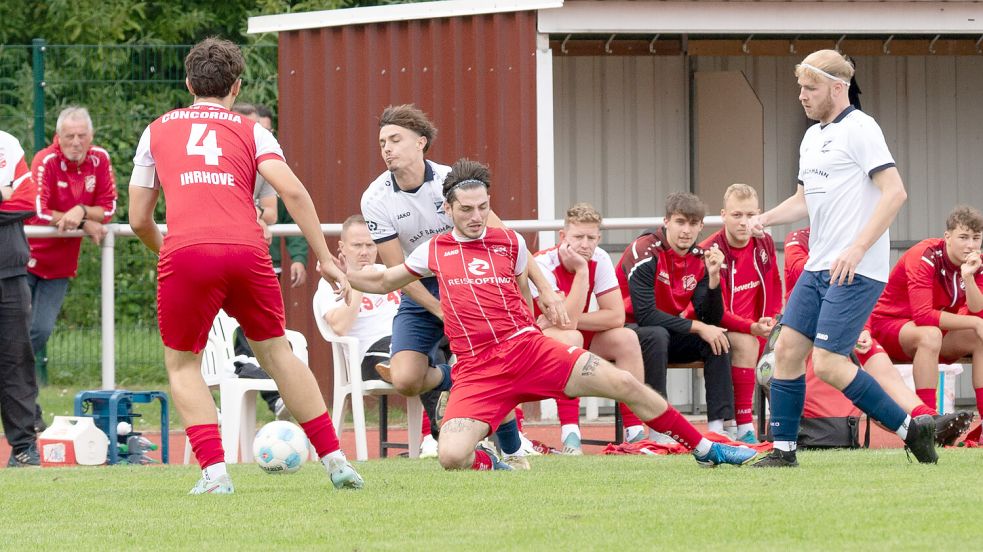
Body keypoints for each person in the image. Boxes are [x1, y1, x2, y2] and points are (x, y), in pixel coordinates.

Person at [348, 158, 757, 471]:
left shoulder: (508, 241)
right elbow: (386, 282)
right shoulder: (432, 250)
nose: (476, 217)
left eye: (483, 207)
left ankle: (707, 449)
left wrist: (547, 299)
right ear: (448, 209)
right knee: (451, 457)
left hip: (527, 350)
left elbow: (530, 280)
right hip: (476, 370)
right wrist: (346, 274)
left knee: (625, 382)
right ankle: (498, 460)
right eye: (467, 209)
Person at [128, 38, 361, 494]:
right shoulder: (252, 130)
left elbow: (138, 218)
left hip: (187, 252)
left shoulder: (156, 129)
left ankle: (215, 475)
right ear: (236, 86)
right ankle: (336, 462)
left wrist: (171, 249)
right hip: (246, 249)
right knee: (277, 353)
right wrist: (326, 259)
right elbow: (293, 193)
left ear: (188, 82)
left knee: (182, 365)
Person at [748, 49, 937, 467]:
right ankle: (784, 452)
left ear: (838, 88)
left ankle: (911, 431)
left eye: (810, 87)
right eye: (800, 87)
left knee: (830, 364)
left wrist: (857, 247)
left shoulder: (862, 128)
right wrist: (766, 218)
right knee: (787, 352)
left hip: (855, 269)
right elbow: (803, 200)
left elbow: (895, 192)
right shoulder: (811, 137)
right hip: (819, 267)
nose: (801, 95)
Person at [360, 104, 566, 459]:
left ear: (421, 143)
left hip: (476, 283)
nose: (387, 149)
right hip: (422, 289)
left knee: (505, 360)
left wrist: (545, 289)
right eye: (382, 142)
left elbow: (506, 237)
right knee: (406, 379)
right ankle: (457, 378)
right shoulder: (375, 198)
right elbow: (397, 273)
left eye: (395, 139)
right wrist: (443, 309)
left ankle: (514, 445)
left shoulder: (450, 181)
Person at [784, 227, 973, 446]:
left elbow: (861, 293)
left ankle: (928, 418)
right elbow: (806, 274)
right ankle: (913, 430)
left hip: (843, 323)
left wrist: (864, 328)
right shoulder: (799, 238)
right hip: (805, 325)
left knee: (880, 364)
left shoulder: (851, 238)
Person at [528, 202, 647, 454]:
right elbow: (566, 325)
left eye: (591, 237)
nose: (585, 244)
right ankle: (571, 434)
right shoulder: (543, 263)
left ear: (599, 238)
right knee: (570, 337)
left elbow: (615, 316)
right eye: (578, 237)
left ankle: (635, 432)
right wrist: (582, 272)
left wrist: (569, 318)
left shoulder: (600, 257)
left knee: (627, 338)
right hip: (541, 343)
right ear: (563, 237)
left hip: (575, 332)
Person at [315, 214, 437, 457]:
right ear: (342, 247)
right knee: (417, 355)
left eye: (370, 245)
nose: (364, 252)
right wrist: (356, 282)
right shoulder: (333, 283)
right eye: (357, 245)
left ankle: (448, 434)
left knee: (433, 347)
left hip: (403, 342)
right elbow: (339, 327)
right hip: (368, 356)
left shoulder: (389, 274)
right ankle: (436, 435)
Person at [617, 192, 735, 437]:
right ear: (666, 221)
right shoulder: (644, 251)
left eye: (693, 224)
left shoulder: (699, 258)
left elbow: (710, 319)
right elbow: (646, 315)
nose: (686, 231)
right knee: (657, 335)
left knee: (719, 340)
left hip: (666, 332)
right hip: (627, 332)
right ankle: (660, 428)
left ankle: (719, 429)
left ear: (701, 226)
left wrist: (714, 279)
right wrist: (699, 327)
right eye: (680, 222)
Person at [27, 107, 116, 398]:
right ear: (58, 136)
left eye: (82, 135)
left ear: (91, 136)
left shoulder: (99, 159)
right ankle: (24, 400)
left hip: (60, 266)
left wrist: (80, 211)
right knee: (14, 330)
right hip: (24, 258)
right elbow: (38, 210)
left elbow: (110, 207)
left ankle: (17, 393)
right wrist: (84, 219)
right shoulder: (45, 160)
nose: (76, 142)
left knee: (38, 332)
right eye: (69, 136)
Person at [868, 206, 983, 425]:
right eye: (963, 237)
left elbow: (978, 310)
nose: (970, 245)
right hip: (888, 327)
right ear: (947, 237)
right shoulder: (925, 255)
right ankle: (928, 422)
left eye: (976, 238)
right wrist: (975, 321)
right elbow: (922, 316)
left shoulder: (975, 263)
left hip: (936, 334)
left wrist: (968, 278)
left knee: (978, 337)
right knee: (930, 334)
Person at [699, 184, 782, 443]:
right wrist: (751, 328)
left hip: (757, 327)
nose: (744, 223)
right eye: (737, 215)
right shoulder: (710, 250)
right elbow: (716, 312)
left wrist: (772, 317)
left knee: (795, 342)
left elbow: (774, 284)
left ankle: (797, 428)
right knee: (747, 343)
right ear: (723, 215)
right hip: (720, 329)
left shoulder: (764, 241)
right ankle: (746, 426)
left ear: (758, 214)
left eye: (750, 215)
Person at [232, 103, 309, 287]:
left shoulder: (268, 166)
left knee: (266, 315)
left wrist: (301, 257)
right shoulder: (214, 162)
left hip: (263, 257)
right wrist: (255, 216)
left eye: (265, 131)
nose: (258, 136)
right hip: (223, 254)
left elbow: (279, 213)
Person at [0, 130, 41, 467]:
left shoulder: (7, 144)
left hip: (11, 273)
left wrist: (11, 197)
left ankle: (24, 449)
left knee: (17, 361)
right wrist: (3, 192)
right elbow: (12, 201)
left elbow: (28, 202)